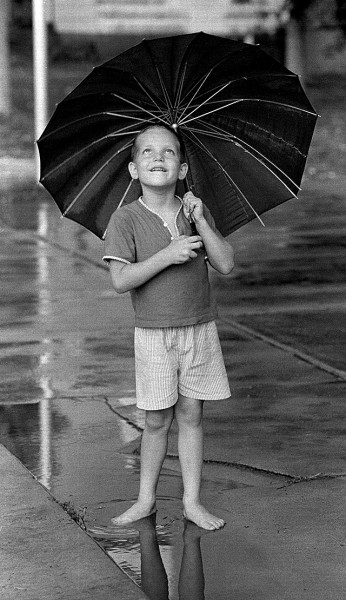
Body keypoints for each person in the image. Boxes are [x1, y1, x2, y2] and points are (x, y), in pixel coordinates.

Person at [103, 124, 234, 530]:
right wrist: (169, 253)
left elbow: (226, 264)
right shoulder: (125, 220)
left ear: (181, 169)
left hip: (199, 328)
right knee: (157, 419)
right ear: (132, 169)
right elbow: (121, 281)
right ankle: (145, 500)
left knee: (192, 414)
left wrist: (203, 224)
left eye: (169, 152)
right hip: (155, 334)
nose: (158, 158)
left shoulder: (194, 211)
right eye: (147, 153)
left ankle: (192, 502)